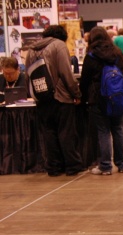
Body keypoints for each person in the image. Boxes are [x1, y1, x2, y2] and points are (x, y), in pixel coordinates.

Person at [25, 25, 83, 177]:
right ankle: (72, 166)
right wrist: (76, 93)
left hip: (41, 98)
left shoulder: (31, 50)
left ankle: (54, 167)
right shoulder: (59, 45)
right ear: (62, 36)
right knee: (66, 132)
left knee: (49, 133)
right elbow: (66, 73)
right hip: (61, 97)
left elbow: (27, 76)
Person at [80, 26, 123, 176]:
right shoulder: (117, 53)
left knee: (103, 131)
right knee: (118, 129)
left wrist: (83, 99)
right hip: (117, 98)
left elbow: (84, 81)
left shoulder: (91, 56)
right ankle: (122, 164)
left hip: (98, 99)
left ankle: (105, 166)